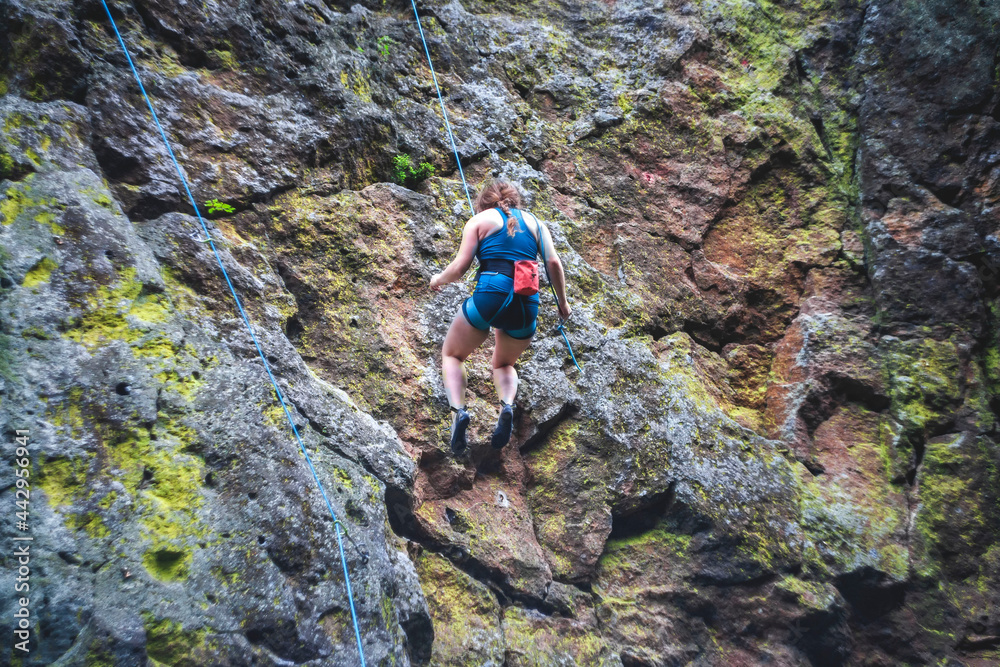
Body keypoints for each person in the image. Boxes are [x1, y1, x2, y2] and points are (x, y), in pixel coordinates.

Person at [430, 179, 571, 455]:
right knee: (504, 363)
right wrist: (563, 304)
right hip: (526, 301)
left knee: (453, 355)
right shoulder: (536, 224)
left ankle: (459, 411)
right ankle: (506, 404)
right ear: (515, 201)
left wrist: (438, 278)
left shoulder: (479, 220)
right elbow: (553, 262)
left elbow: (460, 267)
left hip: (491, 293)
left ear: (484, 202)